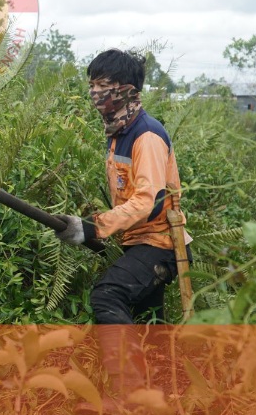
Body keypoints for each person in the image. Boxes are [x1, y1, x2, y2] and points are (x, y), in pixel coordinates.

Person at [51, 48, 191, 410]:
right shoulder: (119, 133)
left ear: (126, 91)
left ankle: (129, 396)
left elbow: (147, 201)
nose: (95, 93)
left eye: (103, 85)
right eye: (92, 85)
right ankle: (166, 396)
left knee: (107, 296)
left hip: (159, 243)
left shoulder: (146, 136)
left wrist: (94, 228)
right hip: (138, 243)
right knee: (149, 325)